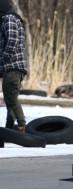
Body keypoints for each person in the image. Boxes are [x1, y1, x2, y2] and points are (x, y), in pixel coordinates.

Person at [0, 0, 28, 133]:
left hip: (12, 66)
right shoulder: (10, 18)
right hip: (13, 67)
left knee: (10, 99)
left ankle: (21, 125)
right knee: (10, 98)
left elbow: (12, 40)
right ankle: (9, 128)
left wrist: (5, 57)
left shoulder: (9, 18)